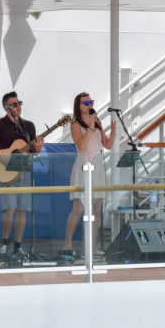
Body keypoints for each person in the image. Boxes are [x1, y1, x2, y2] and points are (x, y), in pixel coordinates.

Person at [0, 91, 43, 256]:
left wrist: (38, 148)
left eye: (19, 103)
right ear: (6, 107)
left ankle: (18, 246)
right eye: (14, 104)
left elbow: (32, 152)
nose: (18, 106)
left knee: (22, 209)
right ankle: (4, 244)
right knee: (10, 208)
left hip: (25, 169)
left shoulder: (28, 126)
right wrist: (2, 159)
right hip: (6, 171)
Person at [62, 92, 116, 257]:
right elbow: (81, 146)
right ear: (78, 106)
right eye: (85, 103)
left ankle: (91, 247)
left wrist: (113, 133)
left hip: (97, 165)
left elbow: (107, 145)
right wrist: (90, 128)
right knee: (78, 208)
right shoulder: (75, 124)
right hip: (83, 165)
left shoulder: (97, 122)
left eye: (91, 102)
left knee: (97, 207)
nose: (90, 105)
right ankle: (67, 245)